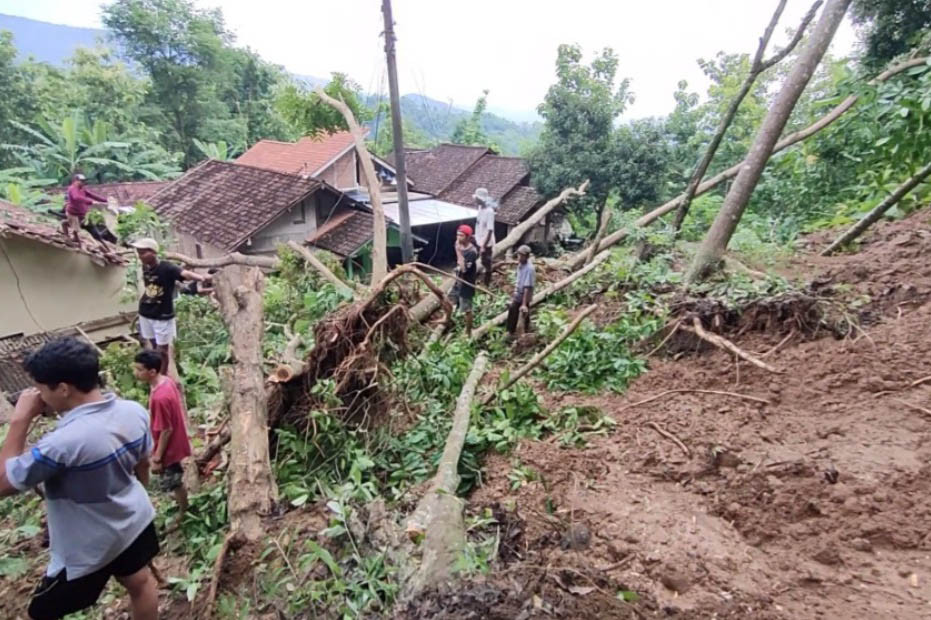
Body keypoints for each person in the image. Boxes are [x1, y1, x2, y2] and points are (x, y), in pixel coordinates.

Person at [0, 338, 159, 620]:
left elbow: (2, 482)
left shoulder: (62, 443)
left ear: (63, 389)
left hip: (88, 549)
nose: (38, 396)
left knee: (42, 612)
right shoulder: (133, 411)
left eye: (40, 389)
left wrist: (20, 419)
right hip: (135, 520)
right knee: (141, 582)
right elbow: (143, 464)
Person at [132, 238, 209, 375]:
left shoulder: (167, 267)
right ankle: (156, 373)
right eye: (139, 253)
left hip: (162, 315)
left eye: (143, 253)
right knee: (154, 347)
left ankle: (163, 376)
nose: (140, 256)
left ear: (153, 252)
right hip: (146, 312)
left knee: (163, 350)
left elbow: (184, 274)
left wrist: (202, 278)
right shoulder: (145, 268)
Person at [133, 350, 191, 532]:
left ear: (152, 372)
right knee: (173, 478)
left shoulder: (160, 397)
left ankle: (184, 512)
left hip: (169, 447)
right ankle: (181, 502)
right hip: (175, 440)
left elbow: (166, 430)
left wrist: (157, 457)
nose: (136, 373)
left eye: (139, 369)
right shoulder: (166, 381)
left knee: (174, 480)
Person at [448, 224, 479, 336]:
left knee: (467, 308)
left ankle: (468, 332)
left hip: (467, 283)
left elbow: (464, 269)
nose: (458, 238)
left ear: (467, 237)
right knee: (450, 299)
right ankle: (446, 319)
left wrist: (458, 252)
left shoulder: (472, 252)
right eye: (457, 235)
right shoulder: (458, 244)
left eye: (461, 236)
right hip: (458, 279)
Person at [63, 174, 107, 248]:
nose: (83, 183)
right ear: (75, 181)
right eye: (81, 181)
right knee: (76, 229)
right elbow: (76, 198)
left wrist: (105, 200)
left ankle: (66, 227)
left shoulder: (82, 189)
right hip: (73, 213)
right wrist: (90, 202)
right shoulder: (73, 188)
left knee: (78, 226)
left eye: (84, 181)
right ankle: (69, 238)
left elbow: (91, 195)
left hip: (82, 213)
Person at [506, 245, 536, 339]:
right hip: (518, 293)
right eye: (518, 255)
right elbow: (518, 281)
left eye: (521, 255)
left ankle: (511, 331)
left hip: (524, 295)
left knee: (514, 309)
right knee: (522, 312)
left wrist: (523, 303)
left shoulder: (529, 268)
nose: (519, 257)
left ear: (526, 256)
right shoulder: (520, 265)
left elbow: (527, 287)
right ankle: (526, 328)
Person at [473, 187, 497, 287]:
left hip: (486, 243)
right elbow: (479, 224)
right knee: (480, 260)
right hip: (479, 240)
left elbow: (490, 230)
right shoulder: (480, 208)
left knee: (487, 263)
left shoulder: (489, 212)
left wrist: (483, 245)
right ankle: (478, 278)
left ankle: (487, 283)